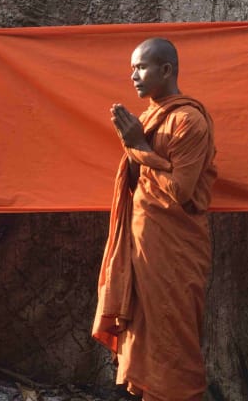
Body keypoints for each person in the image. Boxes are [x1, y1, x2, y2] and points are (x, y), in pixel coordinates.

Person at [92, 37, 218, 401]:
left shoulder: (188, 120)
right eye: (132, 68)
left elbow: (181, 191)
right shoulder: (147, 117)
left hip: (177, 250)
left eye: (141, 67)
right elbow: (133, 180)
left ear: (166, 70)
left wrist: (140, 147)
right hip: (143, 246)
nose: (133, 75)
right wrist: (133, 144)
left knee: (175, 334)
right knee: (147, 331)